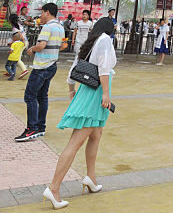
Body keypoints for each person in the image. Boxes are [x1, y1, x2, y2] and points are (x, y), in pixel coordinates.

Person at [43, 17, 118, 208]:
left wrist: (71, 90)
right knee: (76, 142)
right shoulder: (105, 40)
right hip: (97, 92)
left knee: (96, 134)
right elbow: (104, 69)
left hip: (88, 90)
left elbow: (73, 70)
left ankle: (91, 178)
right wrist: (106, 94)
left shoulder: (90, 42)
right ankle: (54, 188)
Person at [17, 3, 64, 142]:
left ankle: (32, 128)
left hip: (41, 67)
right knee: (42, 97)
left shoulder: (48, 27)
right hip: (52, 65)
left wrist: (32, 49)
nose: (41, 16)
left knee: (30, 96)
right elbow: (61, 45)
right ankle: (40, 126)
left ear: (47, 12)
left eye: (42, 12)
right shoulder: (60, 27)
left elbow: (42, 45)